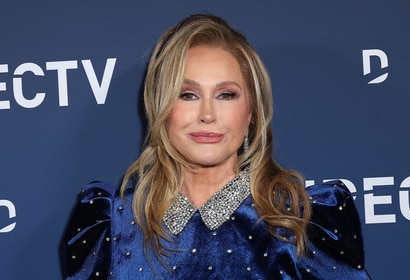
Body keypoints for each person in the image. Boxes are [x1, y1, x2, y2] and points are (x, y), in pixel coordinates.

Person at [64, 14, 371, 279]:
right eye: (187, 95)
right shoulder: (111, 226)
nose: (207, 115)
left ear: (251, 112)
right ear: (161, 108)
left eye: (226, 95)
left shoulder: (304, 220)